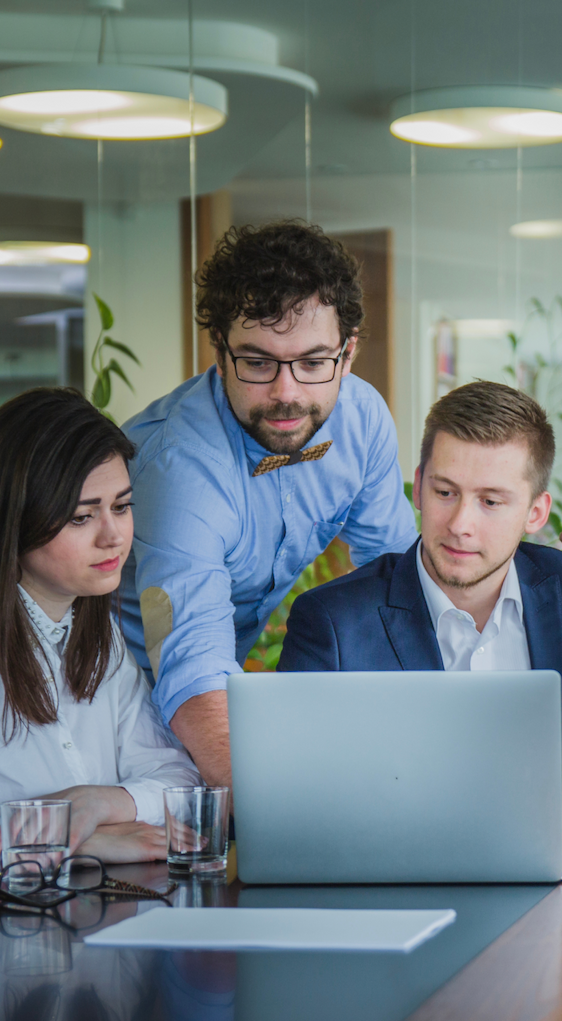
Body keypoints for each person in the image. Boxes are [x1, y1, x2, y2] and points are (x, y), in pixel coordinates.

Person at [278, 381, 562, 845]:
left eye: (490, 501)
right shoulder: (331, 623)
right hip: (403, 900)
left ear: (535, 512)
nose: (461, 524)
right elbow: (293, 792)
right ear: (420, 486)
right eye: (445, 492)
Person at [119, 221, 419, 786]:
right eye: (258, 362)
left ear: (348, 354)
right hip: (121, 705)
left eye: (312, 363)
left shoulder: (362, 421)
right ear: (220, 350)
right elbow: (192, 669)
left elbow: (398, 580)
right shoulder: (179, 468)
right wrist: (286, 821)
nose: (286, 393)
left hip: (225, 698)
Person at [0, 388, 202, 874]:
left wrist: (93, 804)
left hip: (89, 913)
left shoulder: (100, 636)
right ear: (15, 520)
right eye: (82, 516)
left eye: (121, 505)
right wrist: (79, 841)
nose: (113, 536)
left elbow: (177, 779)